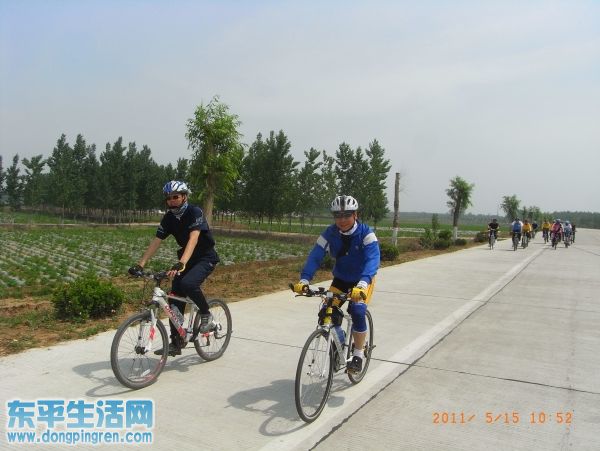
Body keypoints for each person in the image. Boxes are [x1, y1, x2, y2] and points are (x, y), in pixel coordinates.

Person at [129, 180, 220, 356]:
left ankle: (206, 313)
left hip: (205, 257)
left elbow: (193, 238)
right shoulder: (169, 218)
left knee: (188, 284)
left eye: (175, 197)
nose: (171, 201)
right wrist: (140, 264)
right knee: (174, 296)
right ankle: (177, 342)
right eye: (168, 198)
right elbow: (157, 241)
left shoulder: (195, 212)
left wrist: (182, 262)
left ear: (184, 196)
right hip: (186, 259)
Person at [293, 195, 380, 373]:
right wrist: (305, 279)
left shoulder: (366, 234)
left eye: (346, 215)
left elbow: (373, 259)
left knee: (357, 311)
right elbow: (316, 255)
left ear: (355, 215)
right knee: (326, 312)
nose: (342, 220)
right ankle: (339, 344)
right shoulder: (330, 233)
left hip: (363, 280)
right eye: (338, 216)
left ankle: (358, 354)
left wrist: (364, 283)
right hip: (341, 280)